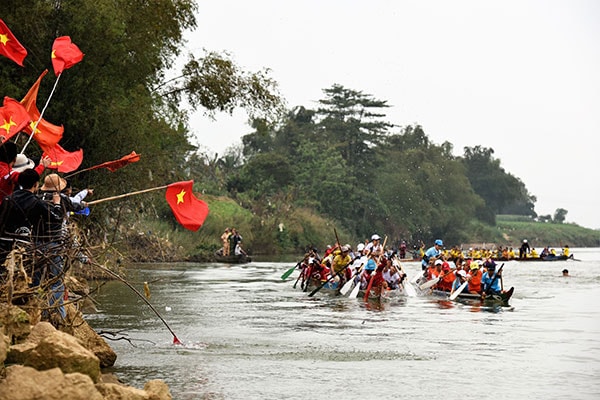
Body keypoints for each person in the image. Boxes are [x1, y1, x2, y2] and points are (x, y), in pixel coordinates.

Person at [0, 169, 66, 321]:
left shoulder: (9, 199)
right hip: (25, 248)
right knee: (33, 279)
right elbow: (56, 218)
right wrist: (56, 204)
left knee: (5, 276)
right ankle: (49, 315)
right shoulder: (36, 203)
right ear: (36, 185)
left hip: (4, 244)